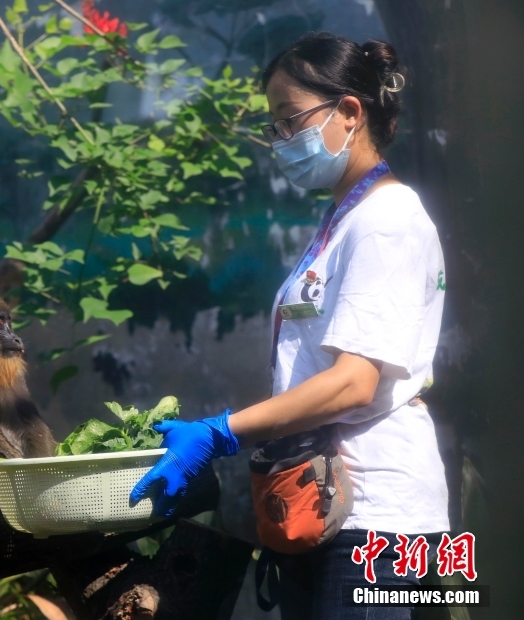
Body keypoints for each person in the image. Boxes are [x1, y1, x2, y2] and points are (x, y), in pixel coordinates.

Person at [131, 32, 449, 619]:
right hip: (322, 507)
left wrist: (221, 432)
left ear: (349, 112)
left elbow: (355, 381)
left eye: (290, 119)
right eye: (275, 125)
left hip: (373, 520)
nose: (281, 139)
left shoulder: (386, 220)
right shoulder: (345, 216)